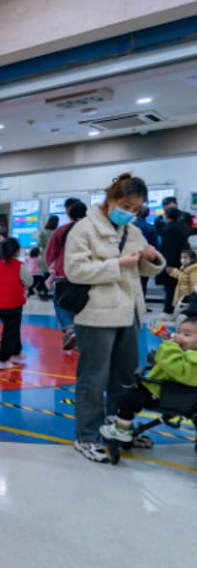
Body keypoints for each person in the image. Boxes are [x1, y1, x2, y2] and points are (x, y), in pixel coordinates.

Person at [64, 173, 165, 463]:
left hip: (130, 313)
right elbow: (75, 270)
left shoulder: (132, 231)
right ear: (110, 200)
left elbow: (144, 270)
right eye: (126, 205)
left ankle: (118, 428)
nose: (130, 213)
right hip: (97, 315)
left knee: (125, 378)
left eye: (136, 208)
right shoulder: (84, 229)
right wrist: (117, 264)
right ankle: (87, 435)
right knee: (93, 379)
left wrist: (151, 257)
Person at [100, 316, 197, 444]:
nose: (178, 336)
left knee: (129, 399)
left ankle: (120, 430)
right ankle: (125, 426)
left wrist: (169, 345)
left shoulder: (192, 359)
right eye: (179, 332)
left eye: (186, 334)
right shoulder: (186, 353)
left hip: (164, 395)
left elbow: (176, 368)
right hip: (177, 396)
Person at [45, 199, 86, 350]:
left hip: (64, 273)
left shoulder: (62, 231)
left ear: (69, 214)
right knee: (82, 305)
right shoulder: (91, 230)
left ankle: (69, 330)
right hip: (87, 274)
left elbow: (50, 252)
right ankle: (81, 335)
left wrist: (52, 269)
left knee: (60, 302)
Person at [0, 237, 33, 370]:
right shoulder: (19, 265)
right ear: (16, 251)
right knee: (10, 331)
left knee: (13, 329)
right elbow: (30, 281)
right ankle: (2, 360)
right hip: (13, 303)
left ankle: (15, 353)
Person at [158, 206, 191, 314]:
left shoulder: (169, 229)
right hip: (182, 261)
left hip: (172, 262)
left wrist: (168, 264)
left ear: (167, 216)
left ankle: (169, 310)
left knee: (170, 288)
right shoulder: (183, 227)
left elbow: (169, 249)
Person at [132, 205, 159, 300]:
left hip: (130, 258)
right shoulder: (151, 228)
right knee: (143, 282)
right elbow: (154, 245)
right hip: (145, 259)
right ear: (147, 215)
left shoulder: (129, 227)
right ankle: (141, 305)